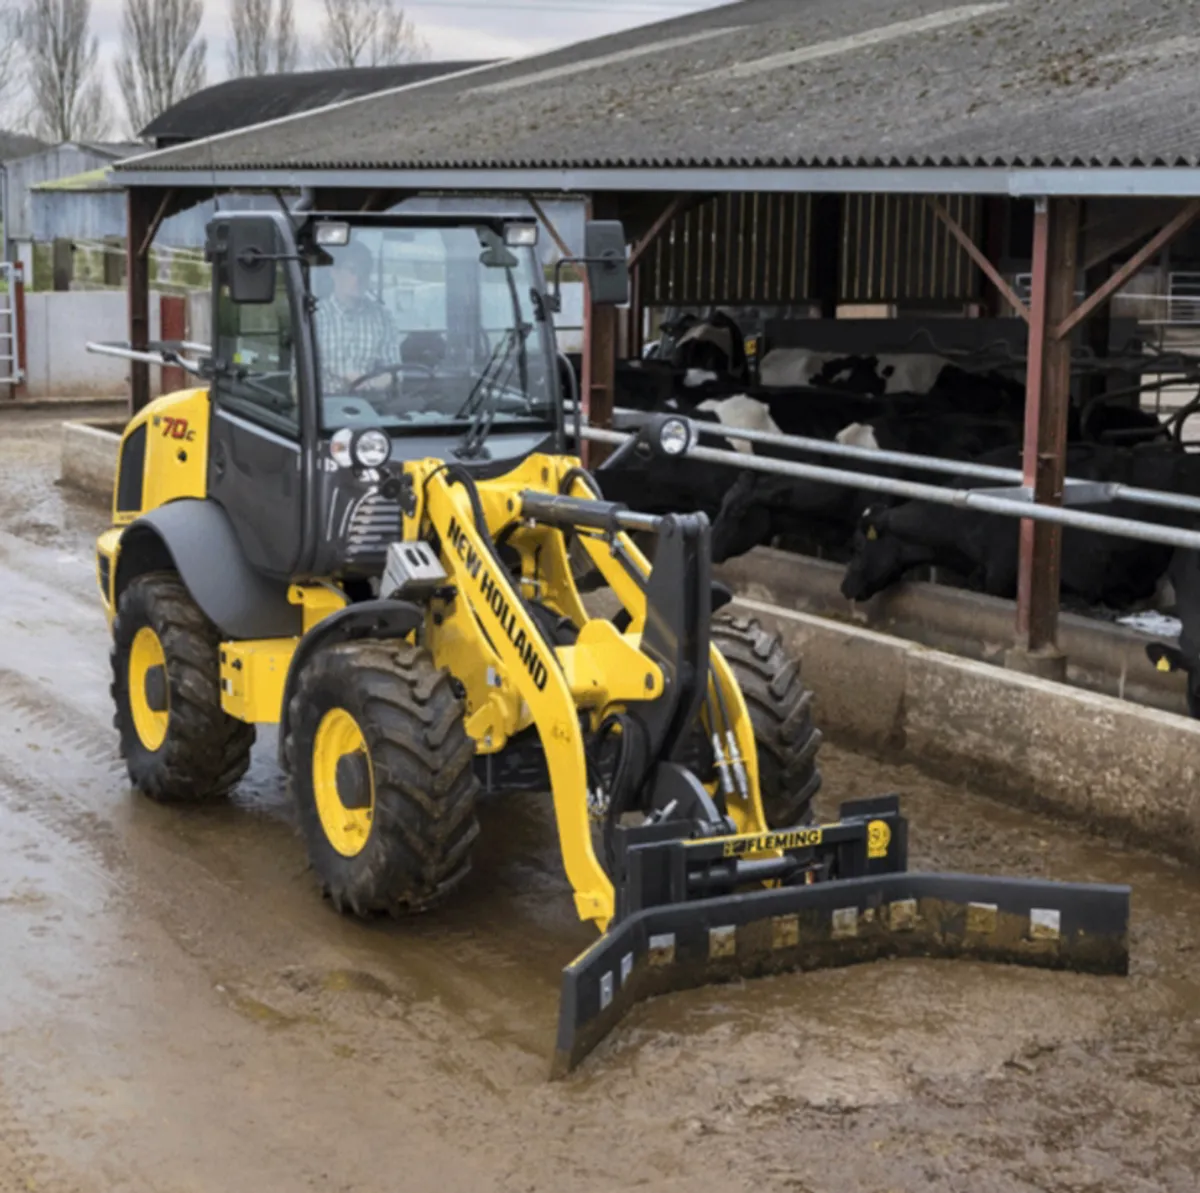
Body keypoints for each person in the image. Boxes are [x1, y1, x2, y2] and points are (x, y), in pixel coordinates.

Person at [317, 239, 399, 390]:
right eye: (352, 270)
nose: (360, 278)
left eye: (365, 271)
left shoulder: (382, 318)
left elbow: (394, 373)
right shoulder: (315, 317)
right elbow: (298, 380)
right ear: (334, 272)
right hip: (324, 402)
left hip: (370, 402)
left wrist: (369, 384)